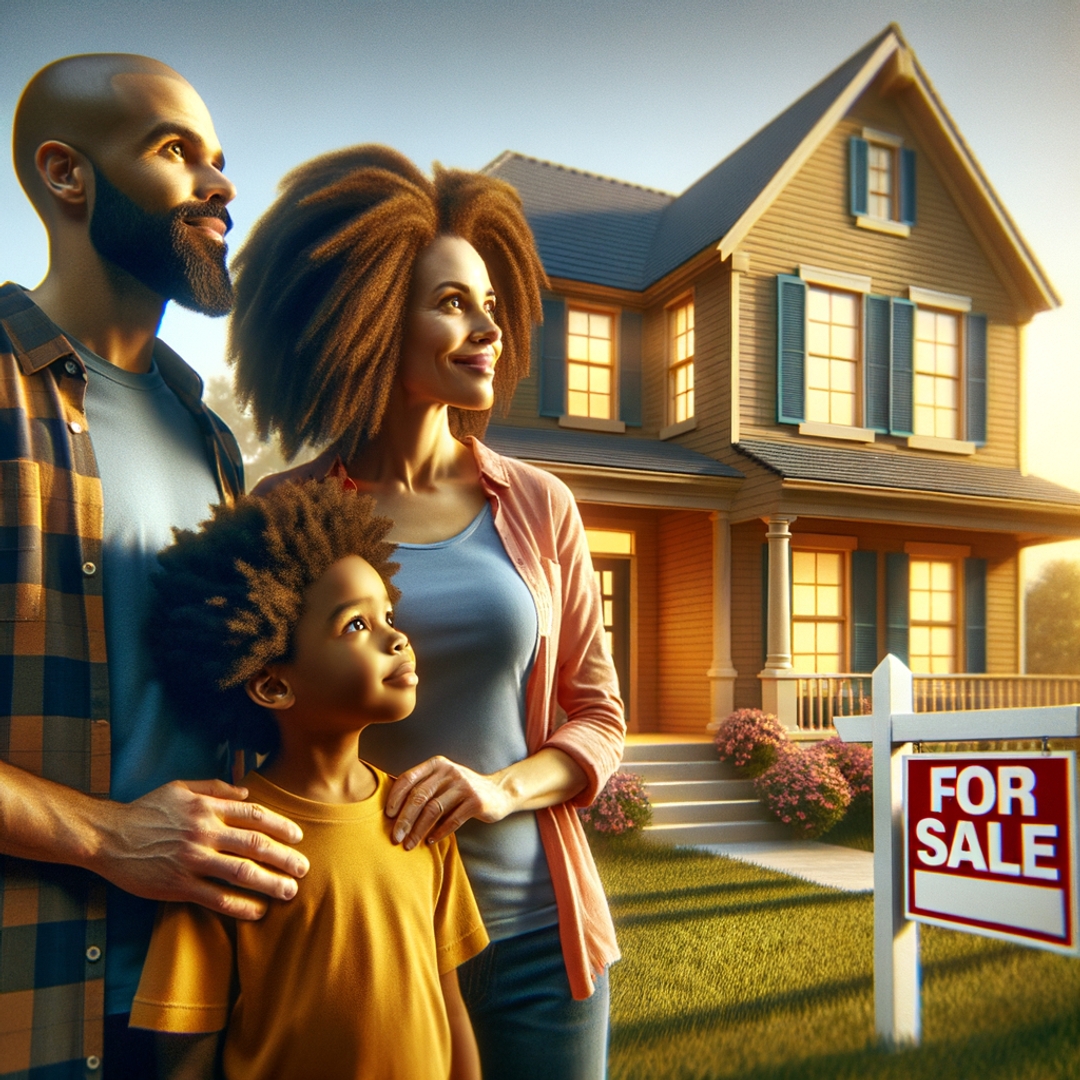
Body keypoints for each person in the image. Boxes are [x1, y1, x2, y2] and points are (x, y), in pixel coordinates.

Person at [229, 146, 625, 1080]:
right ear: (368, 317)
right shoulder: (284, 518)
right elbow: (248, 730)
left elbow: (601, 721)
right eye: (452, 303)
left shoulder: (537, 505)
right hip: (369, 936)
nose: (488, 329)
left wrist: (499, 789)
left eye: (490, 305)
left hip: (540, 938)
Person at [0, 55, 307, 1079]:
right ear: (65, 175)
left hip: (192, 1000)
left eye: (222, 161)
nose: (222, 187)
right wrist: (102, 836)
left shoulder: (208, 438)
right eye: (177, 152)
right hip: (28, 1001)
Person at [130, 479, 489, 1080]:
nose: (397, 637)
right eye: (356, 626)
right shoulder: (226, 841)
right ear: (272, 684)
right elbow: (185, 1046)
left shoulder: (419, 818)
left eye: (388, 616)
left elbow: (448, 1006)